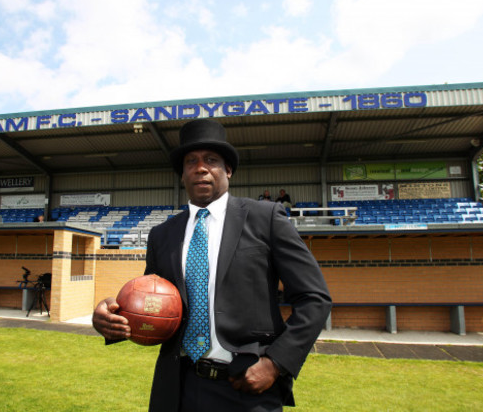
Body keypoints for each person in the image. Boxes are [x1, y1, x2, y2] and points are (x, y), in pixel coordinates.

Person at [92, 119, 331, 412]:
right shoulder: (162, 235)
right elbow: (152, 306)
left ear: (228, 170)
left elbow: (315, 298)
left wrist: (275, 363)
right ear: (182, 173)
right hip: (176, 388)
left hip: (246, 387)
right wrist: (112, 317)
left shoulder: (265, 218)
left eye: (211, 160)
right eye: (190, 161)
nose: (200, 167)